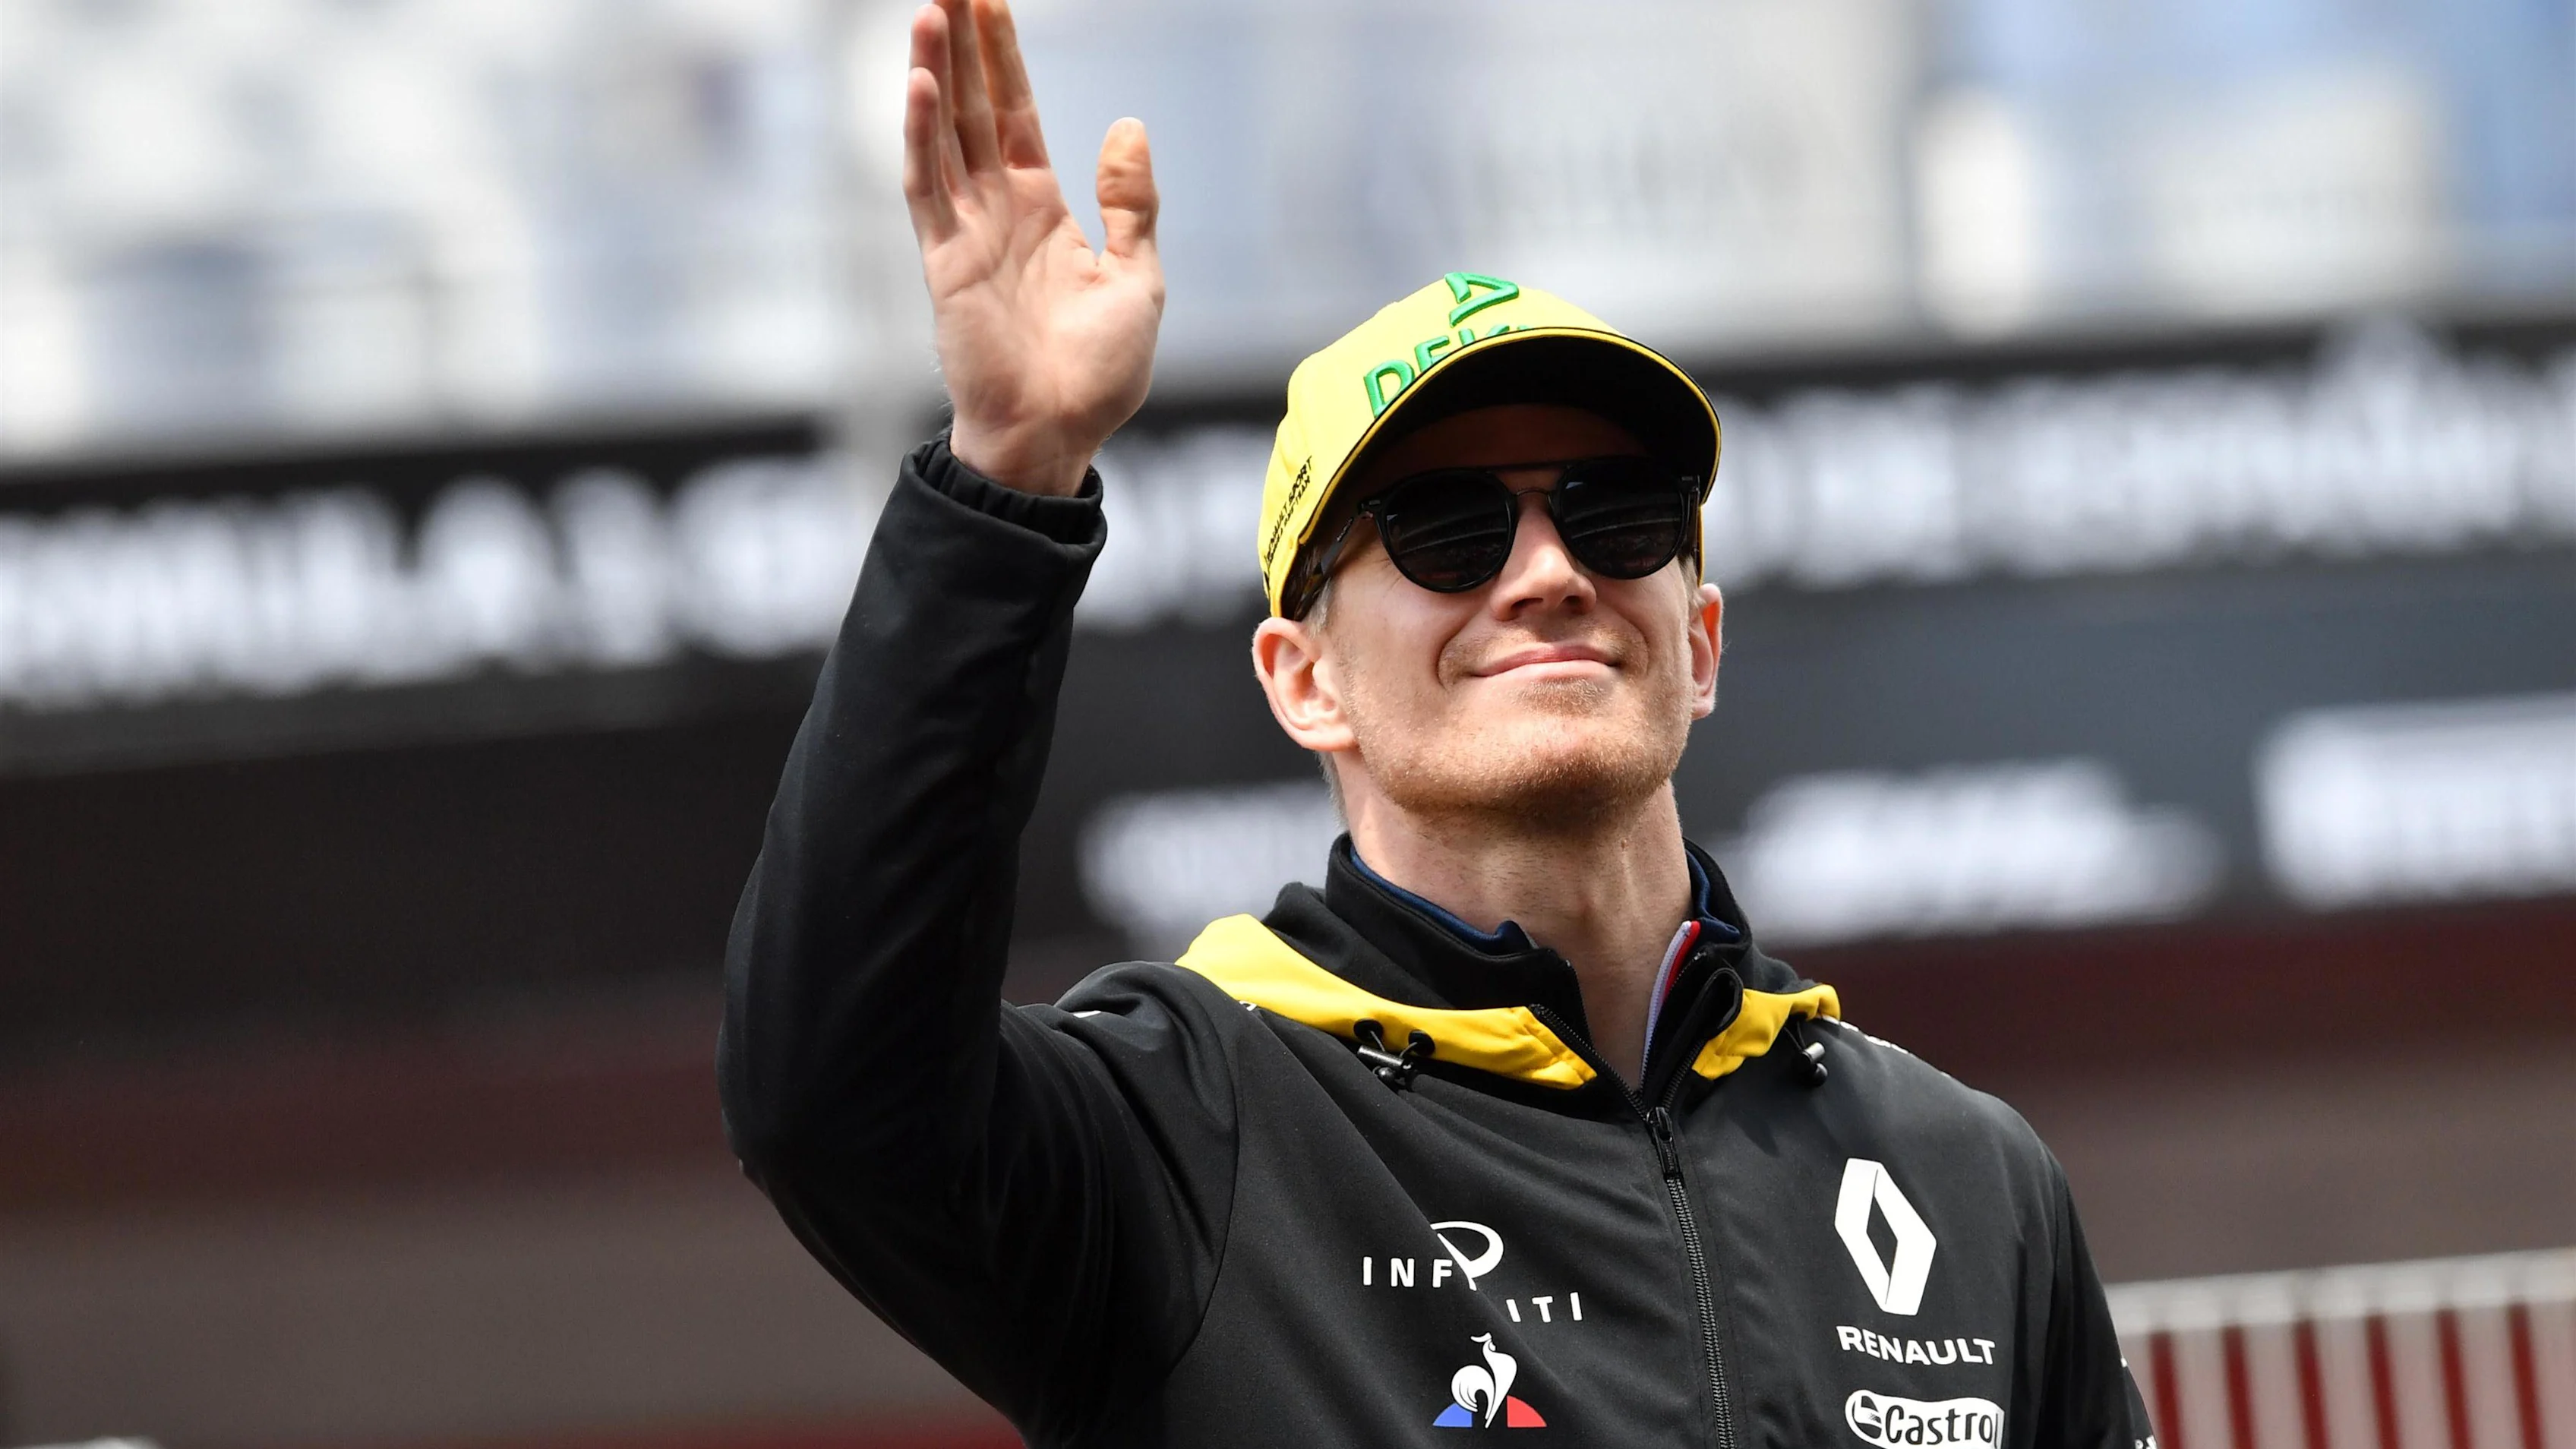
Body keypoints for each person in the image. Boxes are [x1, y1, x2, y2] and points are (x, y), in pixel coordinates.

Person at [718, 1, 2159, 1444]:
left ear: (1700, 642)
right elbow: (830, 1096)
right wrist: (1009, 472)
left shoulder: (1968, 1176)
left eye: (1617, 512)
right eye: (1446, 528)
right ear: (1304, 682)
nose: (1549, 572)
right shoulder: (1184, 1131)